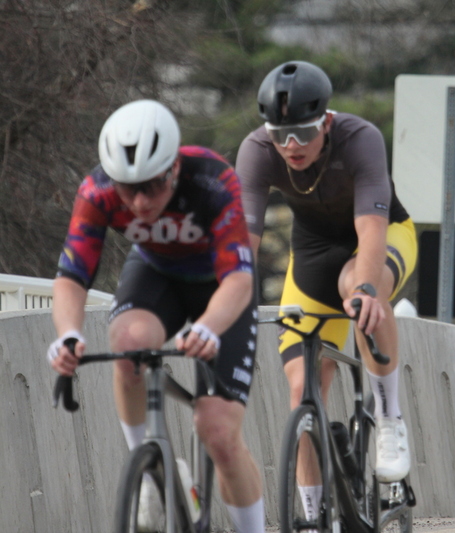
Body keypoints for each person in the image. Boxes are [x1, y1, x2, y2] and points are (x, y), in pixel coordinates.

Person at [48, 100, 265, 532]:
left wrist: (208, 326)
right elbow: (72, 275)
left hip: (220, 289)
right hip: (157, 273)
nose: (140, 201)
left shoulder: (212, 181)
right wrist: (68, 333)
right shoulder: (97, 192)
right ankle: (149, 470)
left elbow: (239, 281)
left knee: (218, 432)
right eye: (128, 190)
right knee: (127, 344)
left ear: (173, 170)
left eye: (151, 186)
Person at [236, 61, 417, 525]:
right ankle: (315, 516)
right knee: (302, 394)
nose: (290, 146)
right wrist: (227, 302)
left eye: (302, 133)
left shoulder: (360, 138)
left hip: (380, 237)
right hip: (313, 253)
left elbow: (371, 227)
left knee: (356, 287)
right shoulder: (258, 150)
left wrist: (366, 290)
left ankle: (390, 419)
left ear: (327, 122)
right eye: (280, 134)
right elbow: (243, 241)